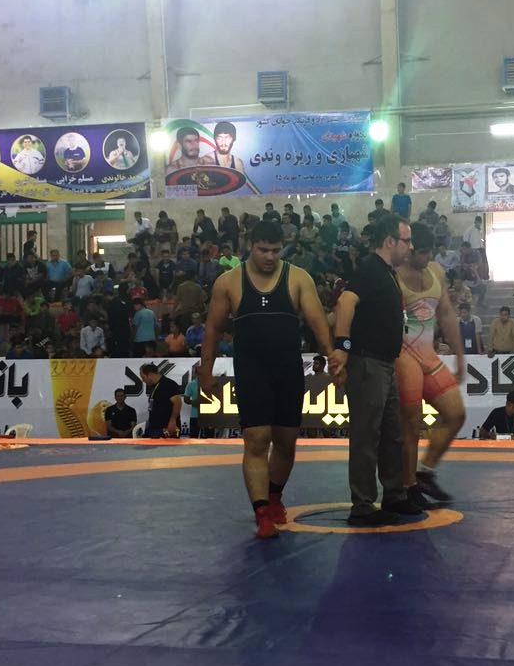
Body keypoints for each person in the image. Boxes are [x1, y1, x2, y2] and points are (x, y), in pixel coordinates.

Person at [200, 220, 337, 538]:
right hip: (252, 371)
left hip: (288, 370)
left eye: (276, 251)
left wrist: (332, 354)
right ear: (250, 246)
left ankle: (274, 496)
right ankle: (261, 511)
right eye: (263, 250)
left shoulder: (298, 278)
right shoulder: (229, 282)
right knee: (256, 439)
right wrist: (206, 371)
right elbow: (213, 328)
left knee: (286, 443)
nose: (270, 257)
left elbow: (317, 320)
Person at [331, 215, 420, 526]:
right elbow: (345, 302)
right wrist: (342, 346)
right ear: (389, 241)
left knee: (392, 434)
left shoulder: (386, 272)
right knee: (366, 436)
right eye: (407, 240)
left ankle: (394, 494)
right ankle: (363, 504)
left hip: (385, 363)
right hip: (367, 362)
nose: (411, 247)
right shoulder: (370, 268)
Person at [395, 223, 467, 507]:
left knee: (456, 414)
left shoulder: (436, 271)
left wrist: (459, 355)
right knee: (411, 424)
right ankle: (406, 485)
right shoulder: (395, 276)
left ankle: (425, 472)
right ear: (409, 250)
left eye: (429, 252)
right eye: (422, 253)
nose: (427, 258)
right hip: (403, 357)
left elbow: (446, 314)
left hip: (428, 356)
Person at [138, 364, 182, 439]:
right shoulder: (154, 386)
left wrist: (172, 420)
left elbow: (178, 403)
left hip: (166, 428)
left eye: (143, 377)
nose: (143, 380)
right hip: (155, 427)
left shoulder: (168, 384)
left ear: (150, 375)